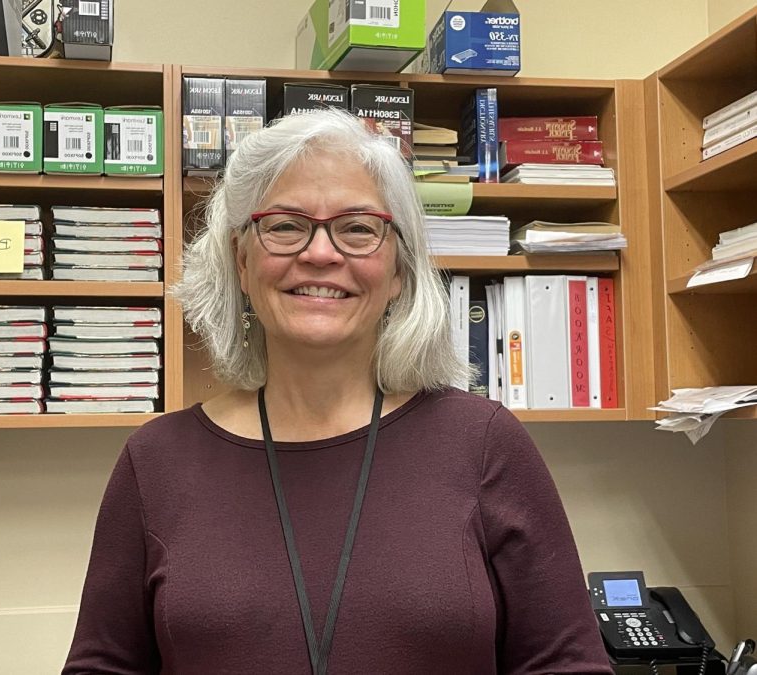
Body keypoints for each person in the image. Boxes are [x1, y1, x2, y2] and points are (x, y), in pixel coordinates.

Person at [62, 108, 612, 675]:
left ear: (399, 270)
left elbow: (568, 666)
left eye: (357, 228)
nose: (320, 253)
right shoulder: (155, 462)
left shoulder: (484, 444)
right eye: (284, 225)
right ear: (241, 263)